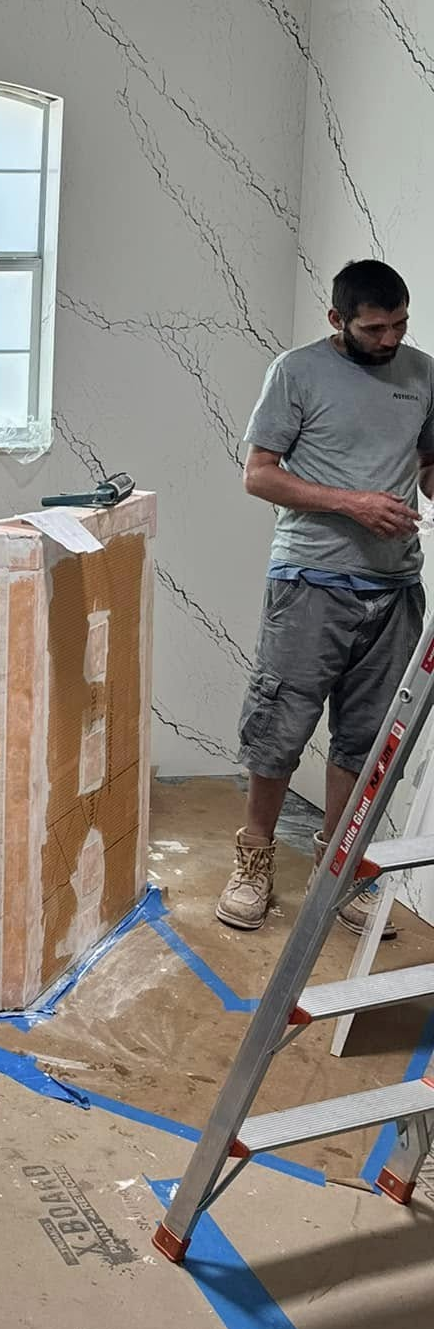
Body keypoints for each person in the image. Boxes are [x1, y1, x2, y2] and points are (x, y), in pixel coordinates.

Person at [217, 259, 434, 933]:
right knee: (280, 724)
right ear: (338, 321)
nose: (391, 338)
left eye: (400, 323)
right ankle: (253, 858)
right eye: (375, 328)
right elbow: (259, 476)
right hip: (310, 580)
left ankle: (336, 869)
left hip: (395, 586)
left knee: (367, 739)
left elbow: (427, 470)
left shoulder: (424, 373)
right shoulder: (296, 372)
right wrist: (354, 505)